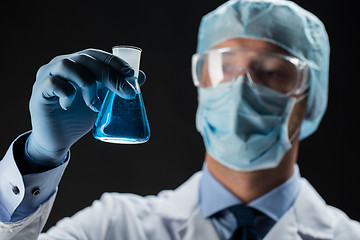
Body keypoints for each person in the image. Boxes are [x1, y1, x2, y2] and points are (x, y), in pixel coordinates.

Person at [1, 0, 359, 239]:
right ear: (200, 82)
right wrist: (40, 156)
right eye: (222, 67)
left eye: (271, 71)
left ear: (310, 96)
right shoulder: (115, 227)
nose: (240, 89)